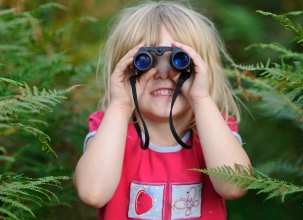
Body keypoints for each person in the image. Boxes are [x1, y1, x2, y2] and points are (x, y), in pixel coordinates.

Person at [74, 1, 251, 219]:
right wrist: (121, 105)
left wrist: (201, 98)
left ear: (203, 70)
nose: (162, 73)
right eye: (145, 61)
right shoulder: (110, 130)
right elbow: (93, 194)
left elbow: (235, 186)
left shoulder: (214, 131)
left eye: (178, 59)